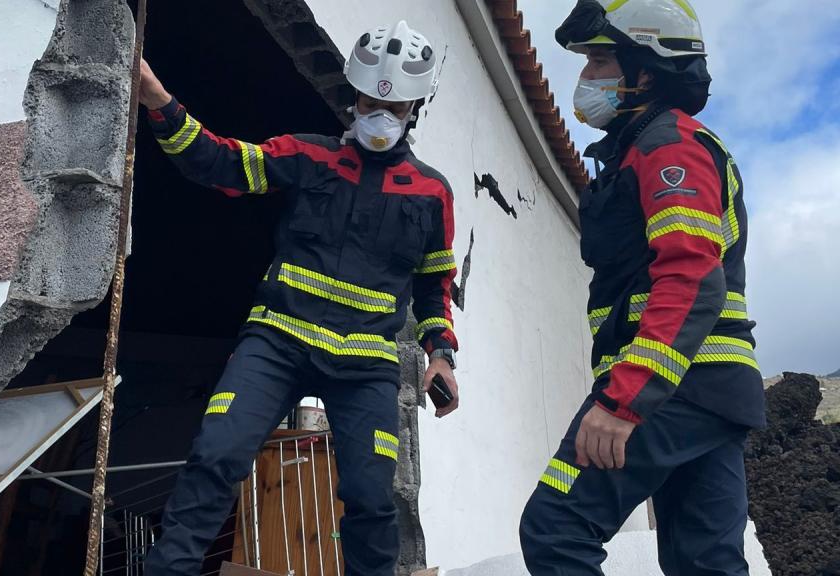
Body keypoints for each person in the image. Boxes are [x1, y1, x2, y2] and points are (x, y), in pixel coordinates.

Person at [138, 21, 460, 576]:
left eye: (398, 107)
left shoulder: (432, 193)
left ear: (415, 108)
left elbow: (434, 284)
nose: (380, 115)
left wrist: (441, 356)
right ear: (353, 95)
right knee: (216, 455)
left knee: (371, 496)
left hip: (366, 367)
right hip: (278, 342)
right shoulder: (309, 156)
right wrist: (158, 100)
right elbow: (218, 163)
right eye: (368, 99)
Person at [519, 1, 765, 574]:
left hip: (676, 386)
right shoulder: (650, 147)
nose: (585, 77)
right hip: (713, 391)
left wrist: (622, 401)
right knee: (705, 563)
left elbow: (690, 277)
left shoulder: (668, 147)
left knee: (556, 529)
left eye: (601, 60)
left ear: (646, 72)